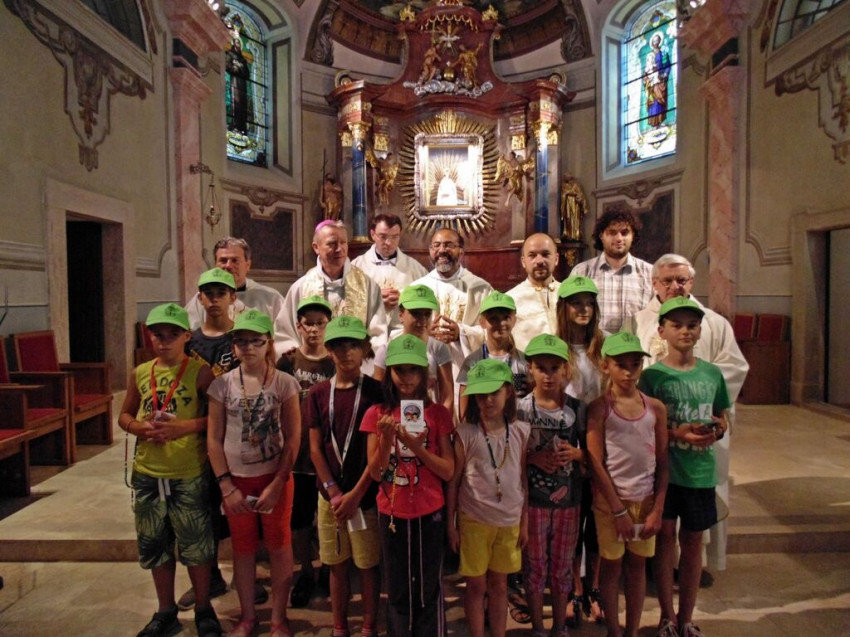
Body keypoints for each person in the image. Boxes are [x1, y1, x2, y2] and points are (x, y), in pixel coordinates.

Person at [626, 254, 748, 572]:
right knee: (659, 508)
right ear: (654, 283)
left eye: (681, 280)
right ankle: (657, 567)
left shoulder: (713, 322)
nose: (675, 286)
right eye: (667, 281)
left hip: (699, 436)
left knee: (695, 517)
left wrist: (703, 408)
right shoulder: (637, 322)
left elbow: (733, 367)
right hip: (657, 433)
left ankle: (695, 565)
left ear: (691, 281)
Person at [117, 303, 223, 637]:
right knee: (155, 543)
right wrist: (138, 427)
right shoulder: (140, 372)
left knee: (196, 544)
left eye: (172, 335)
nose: (164, 341)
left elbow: (218, 418)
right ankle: (165, 610)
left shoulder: (200, 373)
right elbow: (124, 415)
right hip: (149, 471)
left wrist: (184, 427)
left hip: (187, 471)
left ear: (186, 337)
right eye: (158, 335)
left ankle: (204, 607)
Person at [638, 298, 730, 637]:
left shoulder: (712, 373)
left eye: (692, 325)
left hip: (699, 472)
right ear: (662, 331)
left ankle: (686, 617)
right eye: (676, 325)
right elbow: (642, 424)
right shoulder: (652, 376)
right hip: (664, 473)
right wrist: (678, 433)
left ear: (700, 330)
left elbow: (722, 414)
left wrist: (717, 429)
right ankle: (666, 616)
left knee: (692, 544)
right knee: (664, 543)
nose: (685, 331)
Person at [206, 310, 300, 637]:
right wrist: (226, 486)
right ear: (234, 346)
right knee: (243, 549)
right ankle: (247, 617)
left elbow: (293, 438)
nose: (247, 348)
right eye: (241, 341)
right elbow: (213, 439)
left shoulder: (284, 383)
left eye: (255, 341)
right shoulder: (222, 385)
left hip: (274, 478)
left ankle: (278, 619)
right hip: (236, 481)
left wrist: (278, 482)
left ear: (268, 344)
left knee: (279, 546)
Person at [362, 334, 455, 636]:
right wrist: (387, 439)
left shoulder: (437, 413)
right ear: (389, 371)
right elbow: (376, 474)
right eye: (399, 370)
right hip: (392, 512)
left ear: (424, 373)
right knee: (397, 588)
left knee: (428, 588)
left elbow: (448, 470)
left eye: (413, 369)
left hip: (430, 511)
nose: (406, 377)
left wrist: (415, 446)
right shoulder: (377, 413)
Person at [586, 332, 668, 637]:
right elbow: (595, 462)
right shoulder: (600, 408)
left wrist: (657, 509)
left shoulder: (655, 408)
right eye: (621, 364)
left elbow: (663, 461)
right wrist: (618, 510)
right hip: (611, 503)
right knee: (611, 566)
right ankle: (614, 630)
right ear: (606, 366)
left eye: (635, 364)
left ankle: (631, 630)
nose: (629, 371)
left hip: (644, 500)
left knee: (637, 567)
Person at [307, 315, 383, 637]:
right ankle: (339, 625)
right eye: (339, 345)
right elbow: (314, 448)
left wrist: (355, 494)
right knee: (336, 564)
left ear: (365, 348)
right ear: (329, 350)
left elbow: (379, 452)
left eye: (353, 345)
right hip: (331, 498)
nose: (346, 352)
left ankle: (368, 624)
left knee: (367, 564)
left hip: (365, 496)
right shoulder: (318, 393)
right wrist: (334, 491)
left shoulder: (377, 391)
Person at [448, 358, 530, 637]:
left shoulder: (520, 431)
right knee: (475, 586)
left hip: (509, 522)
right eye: (481, 394)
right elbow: (454, 482)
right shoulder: (466, 433)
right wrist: (451, 525)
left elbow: (522, 479)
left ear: (508, 391)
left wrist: (525, 521)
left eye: (494, 392)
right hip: (474, 521)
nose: (488, 400)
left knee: (500, 585)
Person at [517, 334, 584, 637]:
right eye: (541, 368)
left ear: (565, 369)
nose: (548, 375)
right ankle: (538, 628)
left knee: (562, 567)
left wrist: (576, 454)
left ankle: (559, 626)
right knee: (534, 567)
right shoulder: (519, 409)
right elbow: (509, 453)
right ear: (530, 368)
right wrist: (533, 457)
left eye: (554, 368)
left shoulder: (577, 408)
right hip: (532, 502)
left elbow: (594, 453)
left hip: (568, 502)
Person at [276, 295, 336, 609]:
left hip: (326, 454)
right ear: (298, 326)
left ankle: (328, 567)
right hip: (297, 454)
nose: (314, 329)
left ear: (328, 324)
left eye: (319, 323)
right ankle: (305, 571)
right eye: (308, 323)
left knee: (326, 517)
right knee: (299, 519)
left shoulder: (335, 362)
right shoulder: (288, 362)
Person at [556, 275, 607, 625]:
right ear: (564, 308)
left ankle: (595, 586)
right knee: (574, 523)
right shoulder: (556, 348)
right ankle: (575, 587)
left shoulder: (604, 347)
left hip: (602, 444)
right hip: (569, 446)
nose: (584, 309)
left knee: (597, 524)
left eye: (589, 303)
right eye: (576, 303)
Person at [277, 220, 388, 356]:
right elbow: (285, 334)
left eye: (343, 242)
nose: (339, 249)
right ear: (316, 247)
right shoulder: (301, 287)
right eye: (332, 244)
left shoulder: (367, 285)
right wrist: (303, 360)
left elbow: (378, 334)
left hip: (356, 365)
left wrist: (366, 363)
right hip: (313, 365)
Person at [411, 227, 492, 378]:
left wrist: (461, 333)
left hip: (467, 370)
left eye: (448, 245)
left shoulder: (480, 289)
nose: (442, 250)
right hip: (427, 368)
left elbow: (492, 332)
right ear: (430, 251)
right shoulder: (416, 289)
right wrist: (424, 333)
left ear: (461, 251)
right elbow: (400, 331)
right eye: (436, 245)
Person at [185, 237, 287, 355]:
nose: (228, 266)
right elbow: (190, 337)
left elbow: (282, 338)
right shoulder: (203, 298)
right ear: (215, 264)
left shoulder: (271, 298)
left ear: (248, 265)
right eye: (223, 260)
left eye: (235, 260)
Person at [373, 284, 454, 413]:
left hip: (429, 416)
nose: (423, 320)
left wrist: (441, 421)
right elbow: (377, 394)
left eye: (427, 314)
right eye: (416, 314)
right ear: (401, 315)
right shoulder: (385, 351)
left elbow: (447, 396)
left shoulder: (438, 348)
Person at [570, 210, 654, 334]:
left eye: (624, 233)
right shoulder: (581, 272)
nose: (619, 238)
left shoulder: (650, 273)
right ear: (601, 235)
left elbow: (657, 319)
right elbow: (569, 315)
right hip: (594, 345)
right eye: (612, 233)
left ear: (633, 235)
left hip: (636, 345)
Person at [456, 291, 528, 419]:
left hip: (516, 426)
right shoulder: (472, 363)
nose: (501, 323)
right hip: (483, 428)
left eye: (506, 317)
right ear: (482, 322)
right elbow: (465, 412)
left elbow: (532, 402)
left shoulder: (524, 361)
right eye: (494, 318)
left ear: (514, 320)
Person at [351, 214, 428, 326]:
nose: (389, 242)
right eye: (383, 237)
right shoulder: (357, 267)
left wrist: (404, 299)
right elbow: (348, 302)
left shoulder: (416, 269)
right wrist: (374, 300)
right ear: (373, 234)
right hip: (368, 331)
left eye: (394, 237)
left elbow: (426, 303)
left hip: (403, 332)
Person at [506, 233, 560, 352]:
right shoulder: (510, 300)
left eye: (545, 254)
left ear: (556, 259)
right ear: (523, 261)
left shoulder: (568, 295)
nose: (539, 261)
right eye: (532, 255)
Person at [644, 33, 671, 128]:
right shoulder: (649, 55)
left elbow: (667, 65)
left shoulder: (663, 53)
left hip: (660, 80)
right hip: (652, 80)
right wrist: (646, 78)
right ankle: (654, 123)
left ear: (660, 41)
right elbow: (646, 69)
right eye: (654, 40)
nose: (656, 42)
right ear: (652, 42)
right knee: (653, 100)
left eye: (657, 40)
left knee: (660, 100)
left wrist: (665, 74)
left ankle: (660, 120)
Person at [560, 174, 587, 241]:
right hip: (567, 204)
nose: (565, 178)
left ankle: (575, 235)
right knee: (568, 218)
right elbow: (564, 193)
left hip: (575, 204)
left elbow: (580, 194)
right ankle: (568, 235)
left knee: (575, 219)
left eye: (567, 177)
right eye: (565, 177)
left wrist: (578, 198)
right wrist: (569, 193)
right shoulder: (564, 185)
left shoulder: (576, 185)